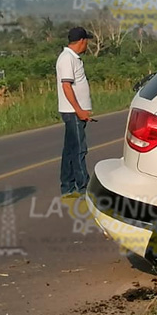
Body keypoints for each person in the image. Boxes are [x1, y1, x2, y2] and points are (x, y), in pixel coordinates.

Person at [57, 26, 94, 197]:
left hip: (75, 112)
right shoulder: (67, 58)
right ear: (82, 41)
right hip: (73, 112)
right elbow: (66, 86)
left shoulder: (73, 58)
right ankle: (83, 186)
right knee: (79, 149)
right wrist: (79, 110)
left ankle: (67, 186)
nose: (87, 45)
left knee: (70, 150)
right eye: (86, 41)